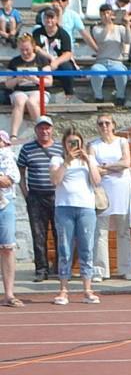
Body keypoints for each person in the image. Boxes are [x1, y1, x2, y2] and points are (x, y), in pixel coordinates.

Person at [50, 127, 103, 305]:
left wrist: (88, 160)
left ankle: (87, 289)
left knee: (86, 248)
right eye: (70, 142)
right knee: (64, 248)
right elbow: (55, 180)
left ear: (82, 143)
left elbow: (97, 181)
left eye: (76, 142)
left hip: (86, 208)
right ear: (64, 144)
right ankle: (63, 289)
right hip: (64, 208)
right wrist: (67, 162)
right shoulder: (58, 159)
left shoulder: (89, 159)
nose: (73, 145)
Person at [89, 114, 131, 281]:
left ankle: (126, 269)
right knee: (100, 233)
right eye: (100, 123)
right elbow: (93, 168)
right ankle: (100, 271)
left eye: (107, 123)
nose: (104, 126)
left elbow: (126, 163)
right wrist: (116, 167)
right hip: (102, 192)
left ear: (113, 125)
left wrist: (106, 166)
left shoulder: (122, 141)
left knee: (124, 231)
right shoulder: (93, 145)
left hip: (123, 190)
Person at [18, 116, 61, 281]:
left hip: (57, 196)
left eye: (47, 128)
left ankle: (59, 268)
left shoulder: (60, 147)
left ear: (52, 129)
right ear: (36, 130)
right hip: (36, 197)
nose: (44, 131)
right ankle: (41, 270)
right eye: (41, 128)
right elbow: (21, 172)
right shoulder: (27, 148)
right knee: (38, 235)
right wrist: (26, 193)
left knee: (60, 233)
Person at [5, 33, 52, 141]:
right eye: (22, 50)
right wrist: (18, 79)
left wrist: (35, 79)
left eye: (27, 49)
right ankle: (13, 135)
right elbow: (8, 84)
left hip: (38, 90)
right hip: (20, 91)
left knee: (32, 102)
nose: (25, 53)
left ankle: (41, 132)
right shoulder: (14, 62)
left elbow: (49, 81)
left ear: (33, 47)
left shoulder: (42, 60)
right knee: (20, 101)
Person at [33, 7, 81, 103]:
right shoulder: (37, 32)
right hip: (42, 61)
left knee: (67, 68)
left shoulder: (63, 34)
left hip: (59, 62)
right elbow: (36, 48)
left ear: (56, 19)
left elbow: (68, 53)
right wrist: (50, 58)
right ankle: (38, 94)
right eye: (47, 17)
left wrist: (56, 62)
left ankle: (69, 94)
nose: (49, 20)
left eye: (52, 18)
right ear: (43, 19)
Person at [88, 3, 131, 105]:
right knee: (95, 71)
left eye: (107, 13)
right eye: (103, 14)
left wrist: (127, 25)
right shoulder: (96, 28)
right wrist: (107, 25)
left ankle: (120, 96)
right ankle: (98, 97)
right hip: (101, 61)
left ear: (112, 14)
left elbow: (128, 40)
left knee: (121, 73)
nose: (105, 16)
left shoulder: (120, 28)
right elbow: (101, 39)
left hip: (116, 61)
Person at [0, 129, 22, 307]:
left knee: (7, 248)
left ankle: (8, 294)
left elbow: (12, 179)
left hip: (5, 204)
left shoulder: (8, 157)